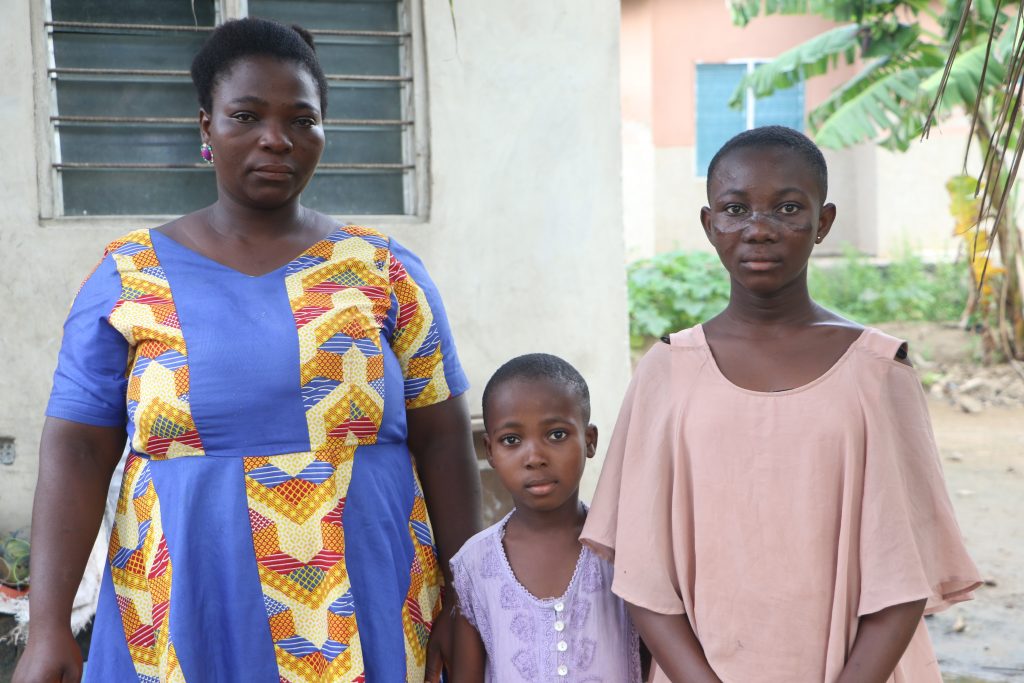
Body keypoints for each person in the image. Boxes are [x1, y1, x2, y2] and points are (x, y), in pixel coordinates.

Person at [14, 17, 480, 683]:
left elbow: (442, 438)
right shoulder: (127, 276)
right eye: (247, 115)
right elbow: (77, 449)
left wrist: (469, 598)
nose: (276, 138)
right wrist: (51, 623)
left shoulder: (384, 270)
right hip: (184, 607)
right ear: (206, 127)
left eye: (301, 119)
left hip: (369, 599)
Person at [580, 126, 983, 683]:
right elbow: (643, 573)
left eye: (787, 208)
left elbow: (903, 576)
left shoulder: (877, 371)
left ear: (824, 222)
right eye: (735, 209)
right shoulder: (668, 372)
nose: (759, 230)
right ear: (708, 224)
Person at [449, 354, 642, 683]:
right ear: (491, 451)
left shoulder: (623, 547)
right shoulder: (474, 565)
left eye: (556, 435)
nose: (535, 457)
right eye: (512, 440)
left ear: (590, 441)